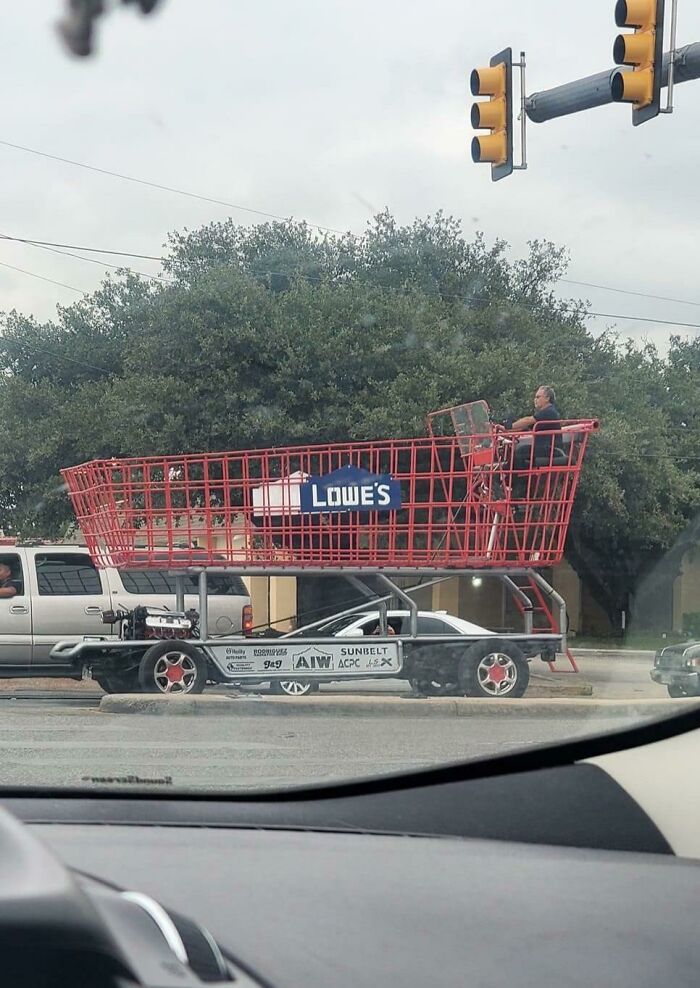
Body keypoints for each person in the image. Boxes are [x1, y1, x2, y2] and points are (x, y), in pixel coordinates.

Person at [511, 386, 561, 468]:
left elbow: (528, 420)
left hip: (552, 450)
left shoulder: (549, 412)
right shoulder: (545, 413)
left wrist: (510, 426)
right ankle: (507, 477)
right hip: (545, 449)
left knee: (521, 451)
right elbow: (524, 426)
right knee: (517, 456)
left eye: (538, 397)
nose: (535, 400)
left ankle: (514, 480)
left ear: (547, 398)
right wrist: (505, 430)